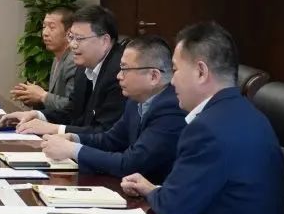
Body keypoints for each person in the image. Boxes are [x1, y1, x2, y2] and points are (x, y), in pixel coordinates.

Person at [121, 22, 284, 214]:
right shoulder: (242, 112)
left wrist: (154, 193)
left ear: (201, 72)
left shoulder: (207, 129)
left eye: (175, 70)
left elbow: (174, 207)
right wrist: (153, 190)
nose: (172, 82)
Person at [40, 35, 185, 182]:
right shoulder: (135, 101)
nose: (118, 76)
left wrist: (73, 150)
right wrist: (74, 138)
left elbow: (130, 164)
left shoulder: (171, 109)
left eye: (125, 69)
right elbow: (111, 140)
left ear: (153, 76)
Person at [1, 4, 125, 135]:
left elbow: (106, 132)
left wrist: (55, 129)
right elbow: (72, 112)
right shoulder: (84, 68)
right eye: (71, 37)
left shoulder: (120, 73)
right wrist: (36, 115)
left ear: (104, 41)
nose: (72, 45)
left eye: (79, 38)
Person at [10, 6, 76, 116]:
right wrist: (33, 97)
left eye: (52, 27)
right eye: (44, 27)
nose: (45, 33)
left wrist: (42, 96)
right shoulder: (56, 58)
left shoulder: (73, 60)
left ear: (69, 33)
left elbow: (72, 107)